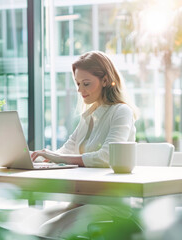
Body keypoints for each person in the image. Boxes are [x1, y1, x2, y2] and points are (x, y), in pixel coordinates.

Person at [29, 50, 138, 238]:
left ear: (105, 80)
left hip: (110, 203)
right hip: (83, 199)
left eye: (86, 83)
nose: (80, 90)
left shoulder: (121, 111)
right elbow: (67, 149)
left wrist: (59, 157)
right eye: (78, 84)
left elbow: (107, 157)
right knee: (32, 223)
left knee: (49, 230)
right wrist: (42, 159)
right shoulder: (89, 115)